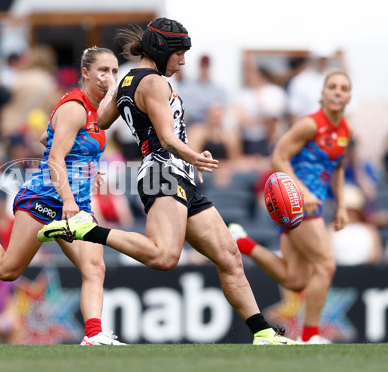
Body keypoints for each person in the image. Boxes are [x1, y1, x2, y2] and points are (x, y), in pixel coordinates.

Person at [37, 18, 298, 345]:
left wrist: (117, 87)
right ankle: (86, 230)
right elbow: (166, 138)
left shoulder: (130, 79)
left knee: (229, 256)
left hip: (176, 174)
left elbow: (102, 120)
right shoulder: (154, 83)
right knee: (164, 257)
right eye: (179, 53)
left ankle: (263, 333)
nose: (183, 61)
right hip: (164, 171)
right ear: (160, 49)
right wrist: (194, 156)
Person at [0, 46, 125, 346]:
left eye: (113, 71)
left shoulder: (92, 112)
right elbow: (56, 158)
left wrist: (84, 169)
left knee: (95, 266)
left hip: (77, 204)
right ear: (85, 73)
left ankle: (94, 335)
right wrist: (69, 199)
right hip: (46, 199)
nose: (109, 77)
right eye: (103, 71)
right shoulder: (75, 107)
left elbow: (48, 137)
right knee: (8, 269)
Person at [228, 71, 353, 344]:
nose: (337, 92)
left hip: (313, 206)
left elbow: (339, 167)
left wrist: (342, 204)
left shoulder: (344, 129)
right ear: (321, 94)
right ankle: (311, 336)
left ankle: (242, 242)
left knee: (294, 279)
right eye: (332, 86)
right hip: (297, 205)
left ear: (349, 96)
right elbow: (278, 158)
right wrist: (302, 191)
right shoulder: (310, 125)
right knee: (325, 265)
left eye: (343, 88)